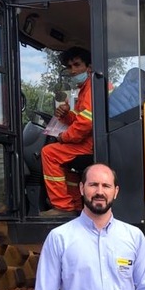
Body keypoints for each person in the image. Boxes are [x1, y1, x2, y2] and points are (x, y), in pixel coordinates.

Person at [40, 46, 94, 215]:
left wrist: (64, 137)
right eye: (70, 67)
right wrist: (65, 115)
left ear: (90, 67)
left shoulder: (92, 88)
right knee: (62, 163)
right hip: (91, 139)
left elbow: (85, 124)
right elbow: (80, 119)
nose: (73, 70)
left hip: (91, 143)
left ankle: (62, 207)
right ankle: (76, 204)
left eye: (77, 65)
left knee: (49, 153)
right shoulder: (86, 88)